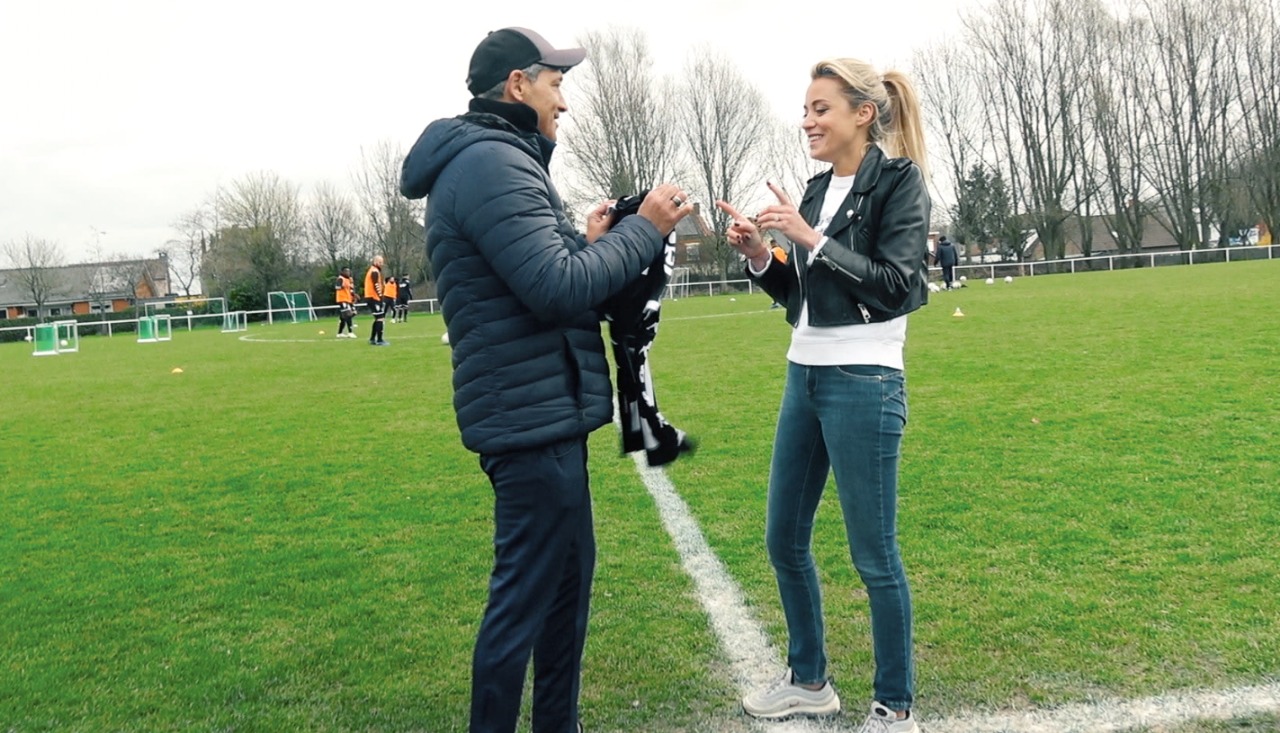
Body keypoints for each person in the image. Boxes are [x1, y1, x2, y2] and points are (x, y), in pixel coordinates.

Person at [398, 26, 692, 733]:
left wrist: (592, 243)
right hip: (529, 425)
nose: (565, 101)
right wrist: (643, 230)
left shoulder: (500, 161)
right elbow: (556, 289)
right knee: (524, 603)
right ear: (517, 86)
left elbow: (551, 274)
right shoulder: (491, 164)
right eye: (555, 83)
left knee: (563, 593)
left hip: (543, 416)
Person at [716, 57, 931, 733]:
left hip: (864, 382)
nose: (806, 120)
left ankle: (895, 707)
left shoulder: (899, 183)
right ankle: (809, 680)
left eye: (820, 108)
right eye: (805, 109)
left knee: (875, 556)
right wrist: (761, 255)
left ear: (863, 114)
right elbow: (803, 296)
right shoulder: (813, 190)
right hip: (802, 376)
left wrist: (809, 238)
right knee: (783, 538)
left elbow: (895, 283)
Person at [363, 255, 389, 346]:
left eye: (382, 262)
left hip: (371, 297)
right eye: (380, 262)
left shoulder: (373, 270)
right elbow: (376, 285)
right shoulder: (374, 271)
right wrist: (380, 296)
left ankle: (372, 339)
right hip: (373, 297)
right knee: (380, 318)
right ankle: (379, 340)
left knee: (377, 318)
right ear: (375, 262)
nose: (381, 264)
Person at [334, 266, 357, 338]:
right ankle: (350, 332)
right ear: (343, 272)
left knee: (350, 314)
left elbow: (350, 289)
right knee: (348, 315)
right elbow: (337, 287)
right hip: (342, 299)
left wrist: (354, 295)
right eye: (346, 271)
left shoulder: (349, 279)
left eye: (349, 271)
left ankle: (340, 333)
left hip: (348, 299)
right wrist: (341, 286)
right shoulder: (341, 278)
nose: (348, 273)